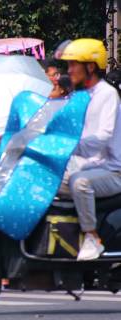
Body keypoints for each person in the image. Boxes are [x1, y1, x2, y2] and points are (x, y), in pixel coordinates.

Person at [55, 38, 121, 261]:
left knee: (80, 183)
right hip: (89, 166)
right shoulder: (81, 96)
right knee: (47, 181)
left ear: (90, 67)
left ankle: (92, 238)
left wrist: (72, 147)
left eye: (74, 64)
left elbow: (103, 136)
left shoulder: (107, 94)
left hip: (113, 171)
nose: (70, 70)